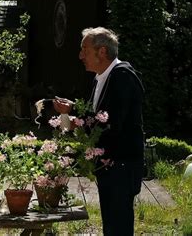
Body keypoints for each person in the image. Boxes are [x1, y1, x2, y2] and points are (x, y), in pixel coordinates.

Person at [54, 27, 145, 235]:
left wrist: (75, 118)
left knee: (118, 227)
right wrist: (73, 110)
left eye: (84, 49)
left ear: (102, 52)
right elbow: (98, 114)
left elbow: (110, 122)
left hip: (121, 165)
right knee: (111, 226)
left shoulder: (122, 76)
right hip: (108, 165)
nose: (80, 55)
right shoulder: (100, 78)